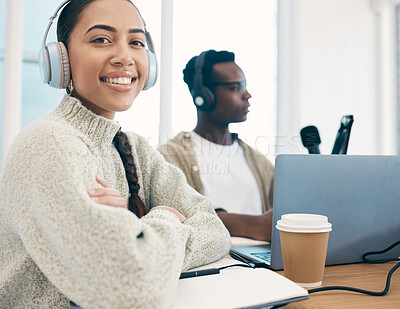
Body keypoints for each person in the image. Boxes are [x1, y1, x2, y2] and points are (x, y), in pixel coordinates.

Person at [0, 2, 230, 308]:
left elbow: (214, 229)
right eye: (101, 40)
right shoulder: (49, 144)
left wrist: (139, 238)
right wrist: (166, 218)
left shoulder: (133, 147)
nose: (125, 56)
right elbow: (133, 288)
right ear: (61, 60)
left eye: (136, 42)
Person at [158, 50, 274, 242]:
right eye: (235, 87)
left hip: (262, 260)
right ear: (204, 96)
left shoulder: (258, 160)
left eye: (245, 86)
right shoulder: (170, 157)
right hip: (210, 263)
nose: (247, 94)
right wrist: (255, 225)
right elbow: (176, 215)